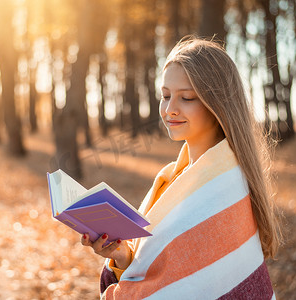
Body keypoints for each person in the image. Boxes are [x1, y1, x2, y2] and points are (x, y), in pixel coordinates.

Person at [81, 37, 282, 299]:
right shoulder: (170, 178)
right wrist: (123, 257)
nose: (169, 109)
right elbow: (163, 272)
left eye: (186, 97)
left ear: (217, 104)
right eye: (165, 96)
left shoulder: (224, 188)